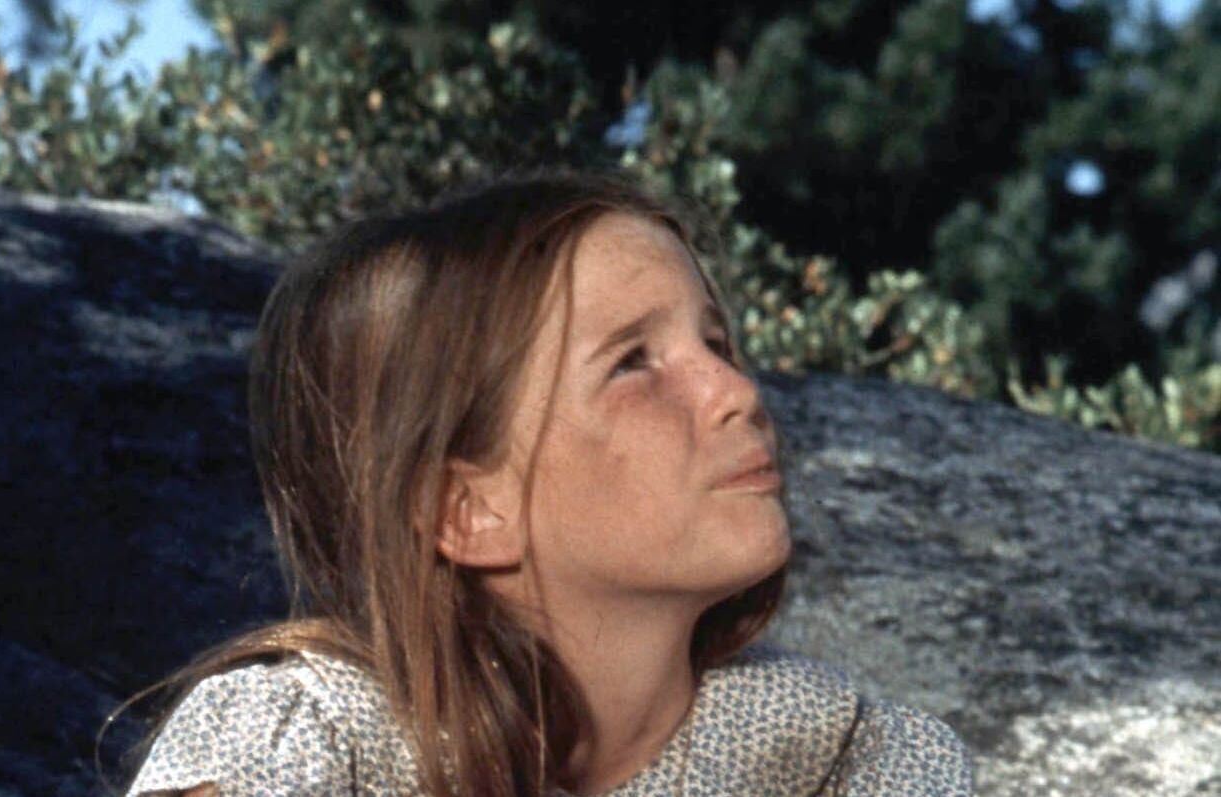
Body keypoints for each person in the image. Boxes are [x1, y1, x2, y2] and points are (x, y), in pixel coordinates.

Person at [103, 169, 974, 797]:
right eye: (631, 363)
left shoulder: (858, 760)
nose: (734, 392)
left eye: (715, 343)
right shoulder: (299, 744)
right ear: (463, 508)